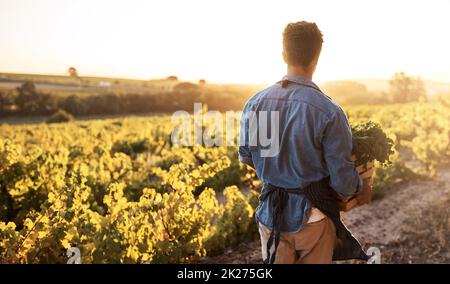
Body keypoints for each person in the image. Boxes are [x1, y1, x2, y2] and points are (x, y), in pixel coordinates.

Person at [238, 21, 374, 264]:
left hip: (270, 217)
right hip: (313, 219)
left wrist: (280, 172)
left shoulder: (256, 103)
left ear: (283, 55)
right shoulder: (329, 111)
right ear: (317, 58)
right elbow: (342, 181)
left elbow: (248, 157)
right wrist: (361, 187)